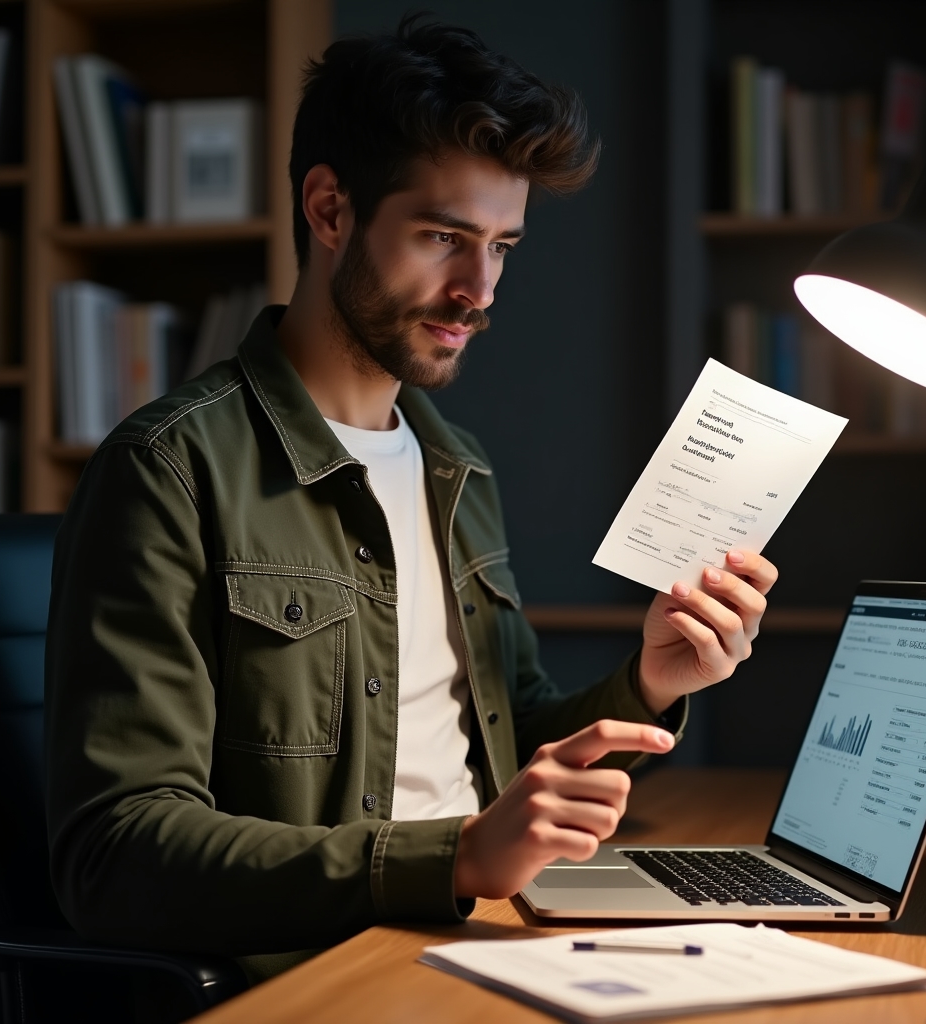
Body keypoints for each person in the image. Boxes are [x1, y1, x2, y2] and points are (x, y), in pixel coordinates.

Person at [45, 16, 777, 977]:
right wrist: (456, 857)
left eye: (503, 247)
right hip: (314, 971)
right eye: (444, 237)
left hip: (488, 935)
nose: (480, 289)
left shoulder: (455, 467)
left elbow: (512, 761)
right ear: (330, 209)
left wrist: (650, 683)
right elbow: (116, 857)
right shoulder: (170, 469)